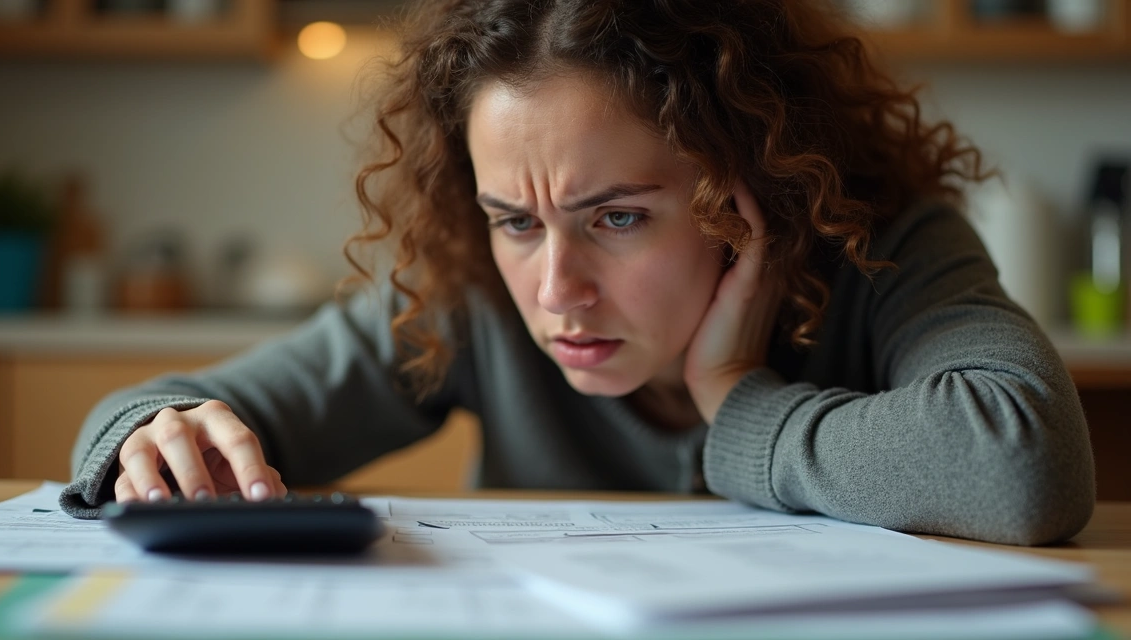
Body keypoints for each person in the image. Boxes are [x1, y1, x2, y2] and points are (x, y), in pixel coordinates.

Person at [60, 0, 1095, 545]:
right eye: (514, 220)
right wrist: (155, 434)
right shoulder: (468, 294)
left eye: (619, 218)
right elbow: (161, 410)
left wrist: (737, 402)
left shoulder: (888, 248)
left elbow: (1022, 465)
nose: (555, 288)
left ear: (756, 187)